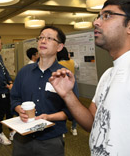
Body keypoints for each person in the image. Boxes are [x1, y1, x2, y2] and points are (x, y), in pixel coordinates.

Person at [49, 0, 130, 156]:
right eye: (98, 16)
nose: (96, 22)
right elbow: (93, 122)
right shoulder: (108, 74)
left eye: (107, 16)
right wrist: (68, 95)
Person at [10, 26, 79, 156]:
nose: (43, 41)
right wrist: (19, 109)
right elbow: (14, 98)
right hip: (22, 139)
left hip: (51, 140)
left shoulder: (64, 76)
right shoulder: (24, 72)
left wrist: (48, 117)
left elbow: (70, 111)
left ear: (59, 47)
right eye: (41, 37)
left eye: (49, 38)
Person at [57, 47, 79, 136]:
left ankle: (62, 131)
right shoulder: (72, 62)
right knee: (74, 106)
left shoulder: (58, 64)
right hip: (73, 85)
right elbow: (77, 66)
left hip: (62, 86)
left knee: (62, 106)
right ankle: (74, 128)